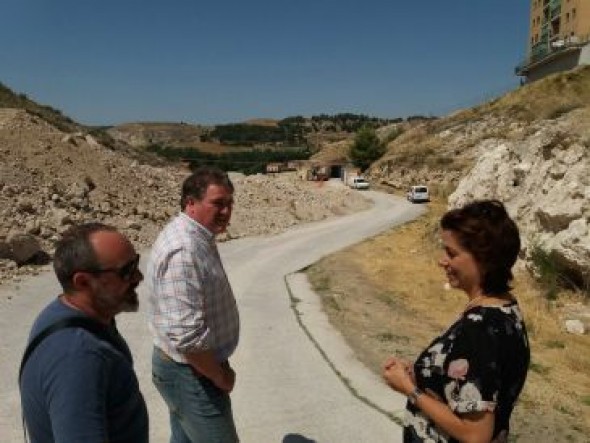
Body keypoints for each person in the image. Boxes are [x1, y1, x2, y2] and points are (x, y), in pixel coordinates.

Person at [382, 200, 530, 443]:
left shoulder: (480, 330)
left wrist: (410, 390)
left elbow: (475, 434)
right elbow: (474, 380)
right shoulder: (503, 308)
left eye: (452, 253)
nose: (442, 260)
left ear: (483, 259)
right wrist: (425, 373)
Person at [19, 223, 148, 443]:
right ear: (83, 282)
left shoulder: (66, 314)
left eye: (135, 263)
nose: (139, 276)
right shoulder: (78, 356)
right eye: (126, 271)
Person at [147, 167, 240, 443]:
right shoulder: (184, 250)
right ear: (190, 203)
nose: (226, 211)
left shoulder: (197, 236)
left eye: (229, 203)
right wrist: (220, 376)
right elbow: (188, 338)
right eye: (218, 203)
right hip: (192, 373)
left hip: (191, 368)